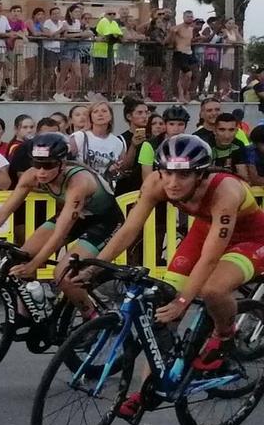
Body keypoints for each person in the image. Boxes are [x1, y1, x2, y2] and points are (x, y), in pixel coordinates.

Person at [88, 135, 262, 410]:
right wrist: (94, 266)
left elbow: (210, 258)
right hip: (205, 230)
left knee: (212, 289)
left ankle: (224, 335)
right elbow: (130, 229)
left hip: (250, 238)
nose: (172, 182)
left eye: (183, 175)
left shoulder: (225, 191)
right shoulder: (156, 182)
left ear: (200, 174)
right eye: (167, 172)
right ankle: (148, 391)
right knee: (161, 308)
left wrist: (183, 302)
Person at [0, 130, 117, 319]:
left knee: (63, 275)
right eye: (37, 164)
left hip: (104, 221)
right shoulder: (31, 175)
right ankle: (28, 315)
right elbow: (5, 210)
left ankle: (91, 317)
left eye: (48, 165)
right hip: (76, 216)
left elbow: (60, 233)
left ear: (61, 164)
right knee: (21, 257)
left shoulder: (79, 181)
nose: (42, 172)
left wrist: (35, 264)